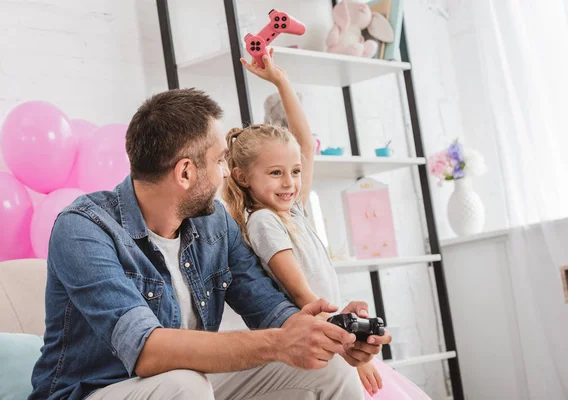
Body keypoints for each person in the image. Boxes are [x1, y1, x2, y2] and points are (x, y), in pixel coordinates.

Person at [28, 63, 392, 400]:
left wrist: (332, 334)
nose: (225, 173)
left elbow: (269, 308)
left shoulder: (213, 222)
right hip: (100, 389)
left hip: (188, 381)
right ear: (185, 172)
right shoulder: (83, 229)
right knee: (185, 385)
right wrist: (278, 344)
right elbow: (145, 349)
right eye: (219, 161)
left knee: (329, 372)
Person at [223, 50, 431, 399]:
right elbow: (302, 294)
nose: (289, 182)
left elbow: (305, 145)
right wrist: (348, 349)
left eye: (294, 172)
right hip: (324, 334)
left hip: (336, 331)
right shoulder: (263, 222)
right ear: (243, 177)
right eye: (275, 173)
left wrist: (281, 81)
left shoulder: (294, 211)